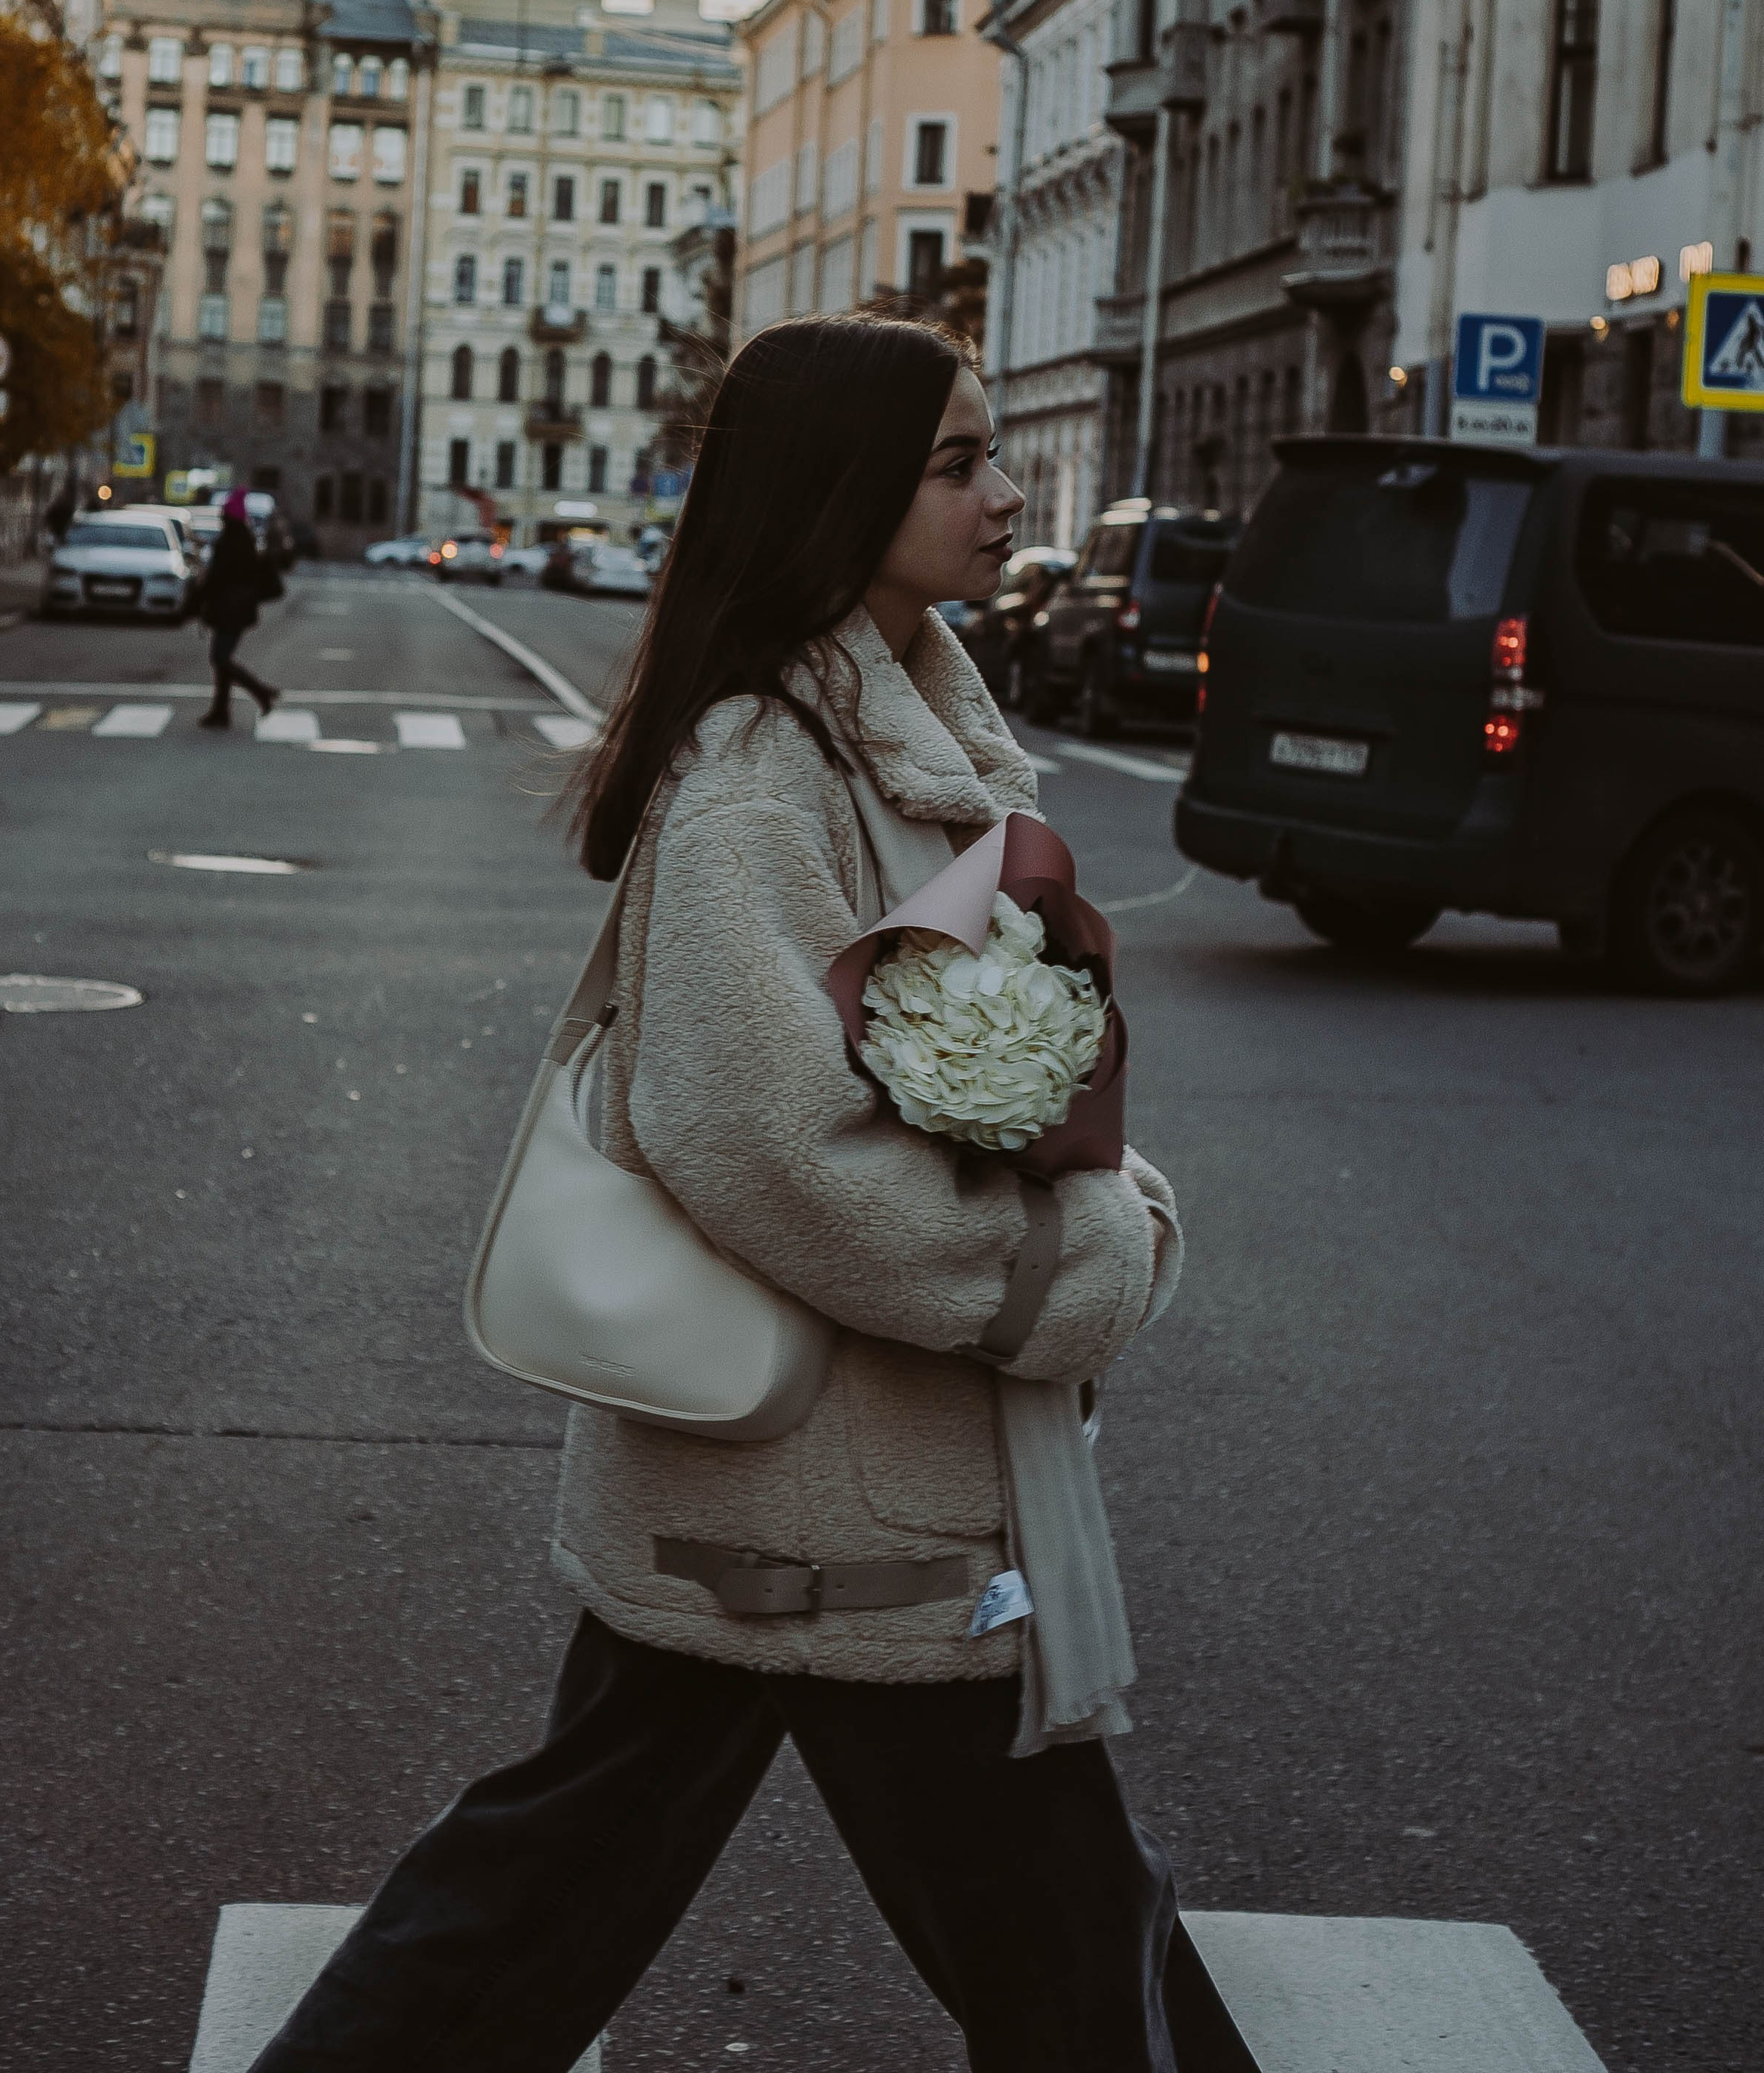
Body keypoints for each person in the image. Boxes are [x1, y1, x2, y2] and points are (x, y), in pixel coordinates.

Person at [249, 316, 1255, 2073]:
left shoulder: (903, 736)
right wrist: (1067, 1256)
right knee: (1064, 1948)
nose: (1005, 491)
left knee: (562, 1898)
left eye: (989, 451)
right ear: (838, 489)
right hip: (837, 1489)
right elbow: (761, 1144)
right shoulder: (756, 778)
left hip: (826, 1480)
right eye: (957, 461)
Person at [196, 488, 282, 731]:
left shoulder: (231, 541)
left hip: (229, 609)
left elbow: (218, 578)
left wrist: (200, 601)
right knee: (221, 659)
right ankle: (221, 711)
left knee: (220, 658)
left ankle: (262, 692)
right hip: (237, 609)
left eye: (223, 513)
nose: (221, 517)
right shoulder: (245, 539)